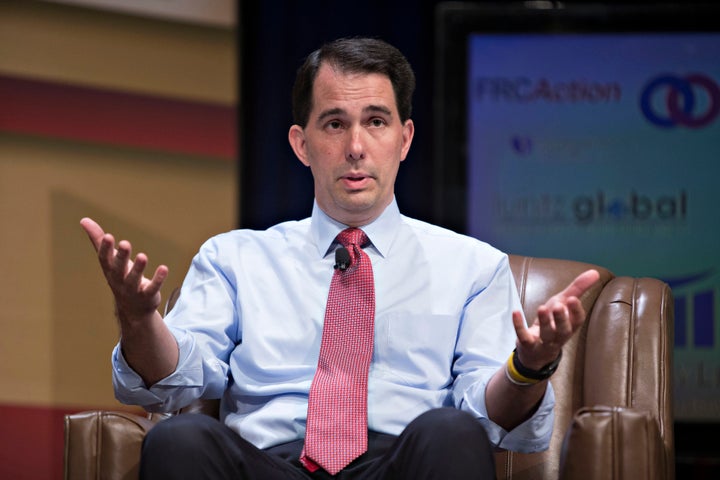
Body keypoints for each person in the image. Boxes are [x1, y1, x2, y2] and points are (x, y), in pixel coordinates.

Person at [80, 37, 600, 479]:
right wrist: (138, 317)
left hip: (402, 461)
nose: (356, 146)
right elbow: (175, 381)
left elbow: (492, 416)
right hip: (270, 463)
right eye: (334, 124)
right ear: (301, 144)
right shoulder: (235, 257)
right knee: (180, 439)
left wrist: (530, 367)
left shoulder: (473, 267)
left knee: (452, 432)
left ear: (404, 139)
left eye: (376, 122)